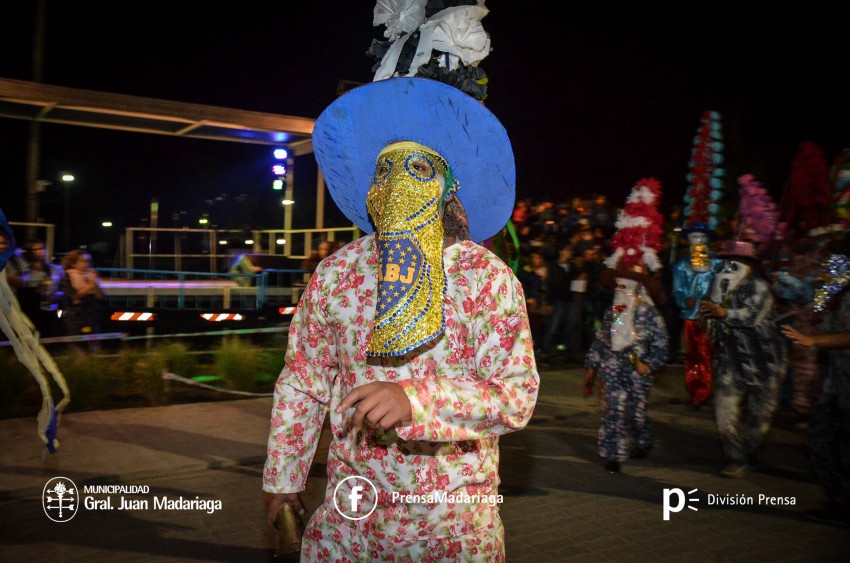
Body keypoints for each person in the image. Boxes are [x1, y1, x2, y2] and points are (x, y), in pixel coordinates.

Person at [262, 77, 540, 560]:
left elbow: (514, 395)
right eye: (383, 169)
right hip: (350, 520)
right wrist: (284, 478)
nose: (395, 184)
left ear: (448, 186)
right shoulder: (337, 273)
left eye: (416, 167)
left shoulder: (484, 278)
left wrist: (416, 400)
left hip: (448, 523)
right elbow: (304, 380)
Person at [583, 178, 670, 473]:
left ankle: (642, 440)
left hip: (638, 369)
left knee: (635, 413)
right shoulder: (615, 310)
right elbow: (601, 338)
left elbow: (662, 344)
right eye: (619, 284)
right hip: (614, 366)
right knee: (612, 410)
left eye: (628, 284)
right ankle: (613, 454)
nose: (622, 288)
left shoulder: (648, 313)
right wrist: (592, 365)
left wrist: (649, 363)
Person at [699, 240, 786, 478]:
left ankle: (752, 455)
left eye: (733, 261)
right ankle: (736, 458)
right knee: (725, 412)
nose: (728, 265)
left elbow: (753, 316)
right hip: (730, 359)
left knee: (760, 417)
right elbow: (709, 318)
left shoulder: (759, 286)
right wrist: (707, 319)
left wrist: (723, 313)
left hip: (764, 360)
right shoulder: (718, 286)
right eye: (725, 260)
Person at [781, 252, 850, 526]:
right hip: (837, 379)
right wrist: (825, 292)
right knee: (821, 436)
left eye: (835, 268)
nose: (828, 272)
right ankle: (839, 502)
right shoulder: (838, 294)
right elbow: (815, 309)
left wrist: (814, 341)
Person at [0, 209, 70, 453]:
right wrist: (31, 284)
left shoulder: (52, 269)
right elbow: (12, 281)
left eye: (40, 249)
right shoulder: (17, 265)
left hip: (47, 312)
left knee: (47, 347)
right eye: (34, 249)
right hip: (25, 310)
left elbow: (58, 286)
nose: (38, 252)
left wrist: (53, 291)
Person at [672, 228, 721, 408]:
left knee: (710, 354)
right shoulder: (682, 265)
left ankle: (710, 391)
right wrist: (685, 299)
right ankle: (698, 392)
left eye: (701, 239)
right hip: (692, 317)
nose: (698, 243)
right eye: (694, 239)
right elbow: (678, 289)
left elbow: (725, 286)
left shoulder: (717, 263)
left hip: (714, 316)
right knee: (694, 355)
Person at [10, 240, 64, 337]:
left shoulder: (55, 269)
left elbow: (61, 287)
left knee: (54, 328)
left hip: (53, 307)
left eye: (42, 248)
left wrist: (56, 295)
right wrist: (38, 289)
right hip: (32, 308)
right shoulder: (24, 270)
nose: (40, 251)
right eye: (36, 249)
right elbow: (21, 289)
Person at [59, 250, 105, 337]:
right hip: (75, 317)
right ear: (73, 263)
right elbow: (75, 296)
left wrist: (94, 284)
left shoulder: (91, 275)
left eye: (89, 261)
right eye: (83, 261)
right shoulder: (68, 277)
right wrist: (91, 285)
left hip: (92, 315)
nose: (87, 264)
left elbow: (100, 297)